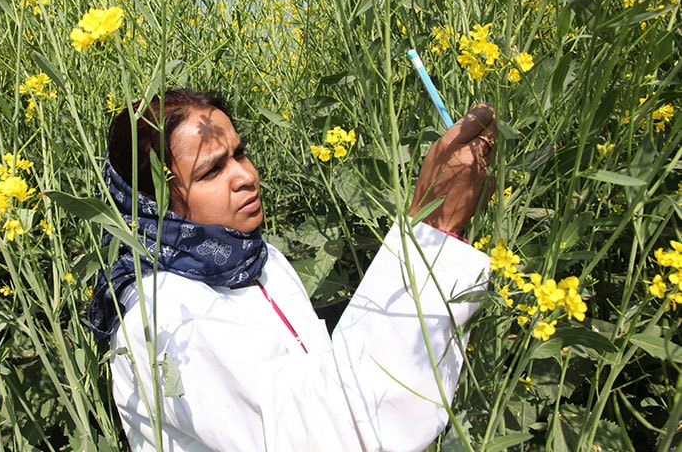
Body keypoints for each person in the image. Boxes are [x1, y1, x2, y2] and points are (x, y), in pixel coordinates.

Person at [88, 89, 496, 452]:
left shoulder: (254, 259)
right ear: (148, 202)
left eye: (240, 153)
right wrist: (435, 224)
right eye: (212, 170)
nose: (246, 176)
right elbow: (324, 432)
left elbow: (320, 377)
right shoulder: (166, 318)